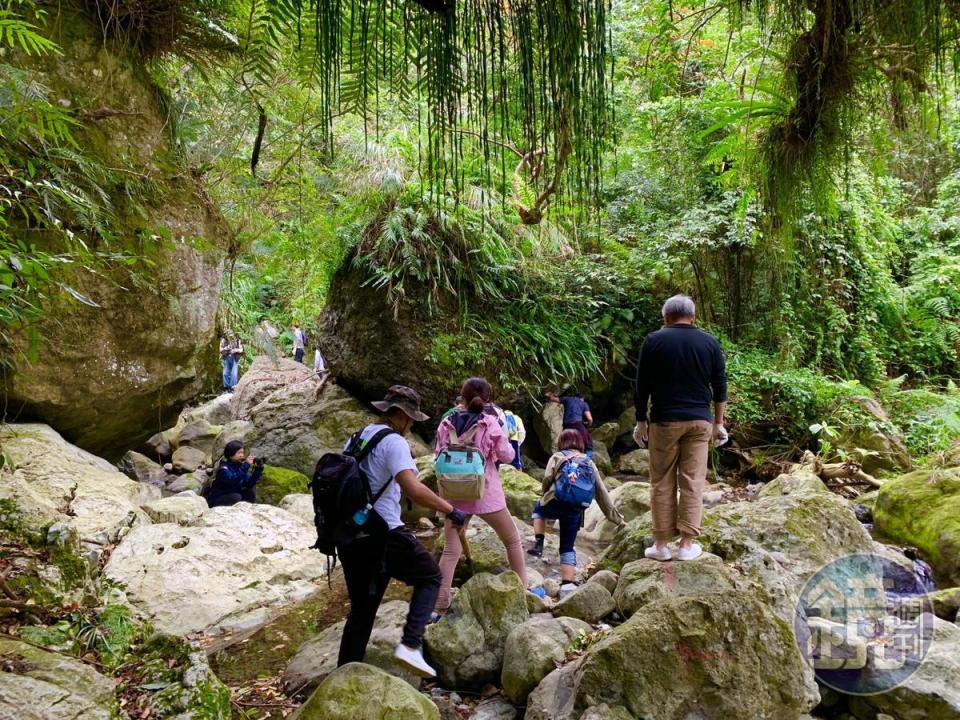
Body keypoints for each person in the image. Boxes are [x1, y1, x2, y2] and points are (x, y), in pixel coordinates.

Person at [336, 385, 467, 678]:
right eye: (411, 420)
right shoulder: (394, 442)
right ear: (404, 417)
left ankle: (343, 673)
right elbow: (411, 486)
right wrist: (450, 509)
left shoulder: (358, 437)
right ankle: (410, 644)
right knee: (430, 576)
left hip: (351, 535)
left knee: (362, 609)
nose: (410, 426)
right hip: (383, 533)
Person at [633, 294, 728, 562]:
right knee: (692, 481)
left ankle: (661, 545)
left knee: (662, 480)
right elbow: (720, 386)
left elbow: (642, 387)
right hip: (700, 422)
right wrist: (718, 424)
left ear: (666, 317)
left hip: (665, 421)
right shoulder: (709, 342)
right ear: (693, 317)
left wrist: (641, 421)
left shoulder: (654, 341)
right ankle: (687, 546)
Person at [434, 377, 528, 613]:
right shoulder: (490, 422)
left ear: (462, 397)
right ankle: (523, 593)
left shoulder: (447, 422)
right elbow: (507, 456)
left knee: (450, 550)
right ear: (488, 399)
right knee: (512, 541)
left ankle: (440, 605)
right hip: (485, 493)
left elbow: (437, 454)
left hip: (454, 495)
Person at [528, 429, 624, 584]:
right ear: (580, 443)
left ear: (562, 442)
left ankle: (539, 543)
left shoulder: (558, 457)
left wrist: (545, 494)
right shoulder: (589, 462)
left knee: (538, 510)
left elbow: (547, 478)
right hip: (576, 509)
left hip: (555, 500)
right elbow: (601, 493)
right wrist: (617, 519)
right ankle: (567, 584)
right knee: (567, 546)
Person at [209, 440, 262, 507]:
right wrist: (246, 465)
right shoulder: (223, 468)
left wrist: (258, 469)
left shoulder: (240, 466)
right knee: (236, 497)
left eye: (242, 453)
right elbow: (232, 480)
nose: (242, 455)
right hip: (218, 499)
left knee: (249, 492)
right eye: (239, 453)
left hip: (234, 495)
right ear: (231, 454)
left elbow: (249, 484)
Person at [548, 387, 594, 456]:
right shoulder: (583, 403)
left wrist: (549, 394)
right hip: (577, 424)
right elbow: (590, 419)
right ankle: (586, 460)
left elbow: (552, 398)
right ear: (582, 398)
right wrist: (588, 425)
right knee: (589, 443)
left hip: (566, 425)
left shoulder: (568, 399)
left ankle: (564, 459)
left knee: (566, 443)